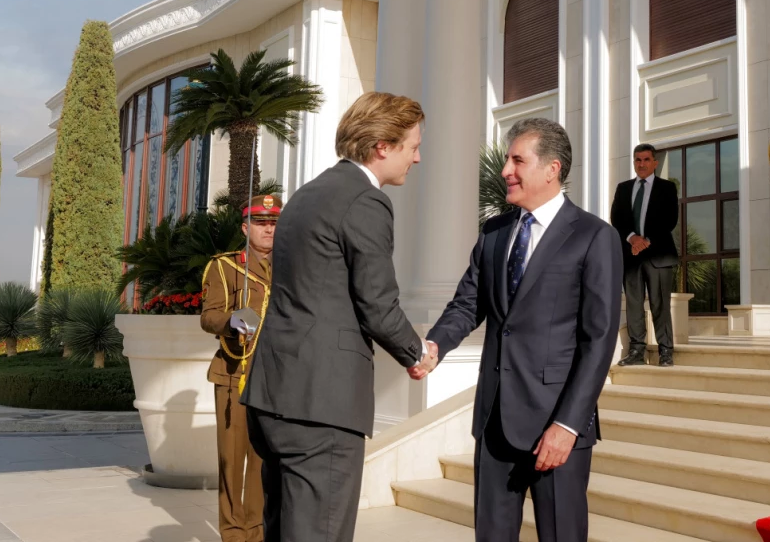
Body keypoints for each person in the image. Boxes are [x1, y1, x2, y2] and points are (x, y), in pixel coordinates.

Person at [242, 92, 436, 542]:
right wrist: (416, 352)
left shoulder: (307, 195)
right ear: (382, 146)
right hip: (321, 405)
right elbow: (377, 303)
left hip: (274, 394)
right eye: (412, 146)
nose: (418, 157)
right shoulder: (365, 201)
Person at [418, 118, 621, 542]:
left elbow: (598, 341)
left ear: (553, 169)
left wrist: (567, 425)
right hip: (494, 423)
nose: (505, 171)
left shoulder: (594, 236)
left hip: (557, 427)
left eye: (517, 160)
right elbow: (468, 304)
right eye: (508, 160)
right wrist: (434, 344)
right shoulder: (494, 232)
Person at [200, 193, 281, 542]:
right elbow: (208, 317)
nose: (268, 230)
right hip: (235, 371)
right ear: (246, 227)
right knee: (232, 462)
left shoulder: (292, 267)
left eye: (274, 224)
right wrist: (231, 320)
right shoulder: (225, 266)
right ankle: (233, 534)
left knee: (263, 462)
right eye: (261, 224)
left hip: (275, 377)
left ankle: (257, 531)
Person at [610, 143, 680, 367]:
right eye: (638, 160)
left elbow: (670, 220)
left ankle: (666, 350)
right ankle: (636, 351)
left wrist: (646, 240)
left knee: (660, 305)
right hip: (631, 256)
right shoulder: (623, 188)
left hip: (658, 256)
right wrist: (632, 238)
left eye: (646, 160)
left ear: (655, 163)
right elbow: (617, 218)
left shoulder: (667, 188)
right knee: (633, 304)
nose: (641, 164)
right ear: (634, 162)